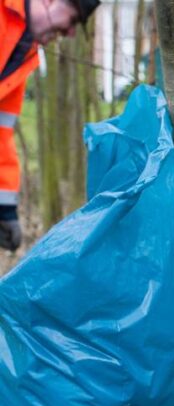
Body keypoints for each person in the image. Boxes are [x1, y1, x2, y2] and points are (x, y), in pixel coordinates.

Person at [0, 0, 99, 251]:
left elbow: (2, 132)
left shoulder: (24, 53)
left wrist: (5, 206)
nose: (70, 32)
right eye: (73, 19)